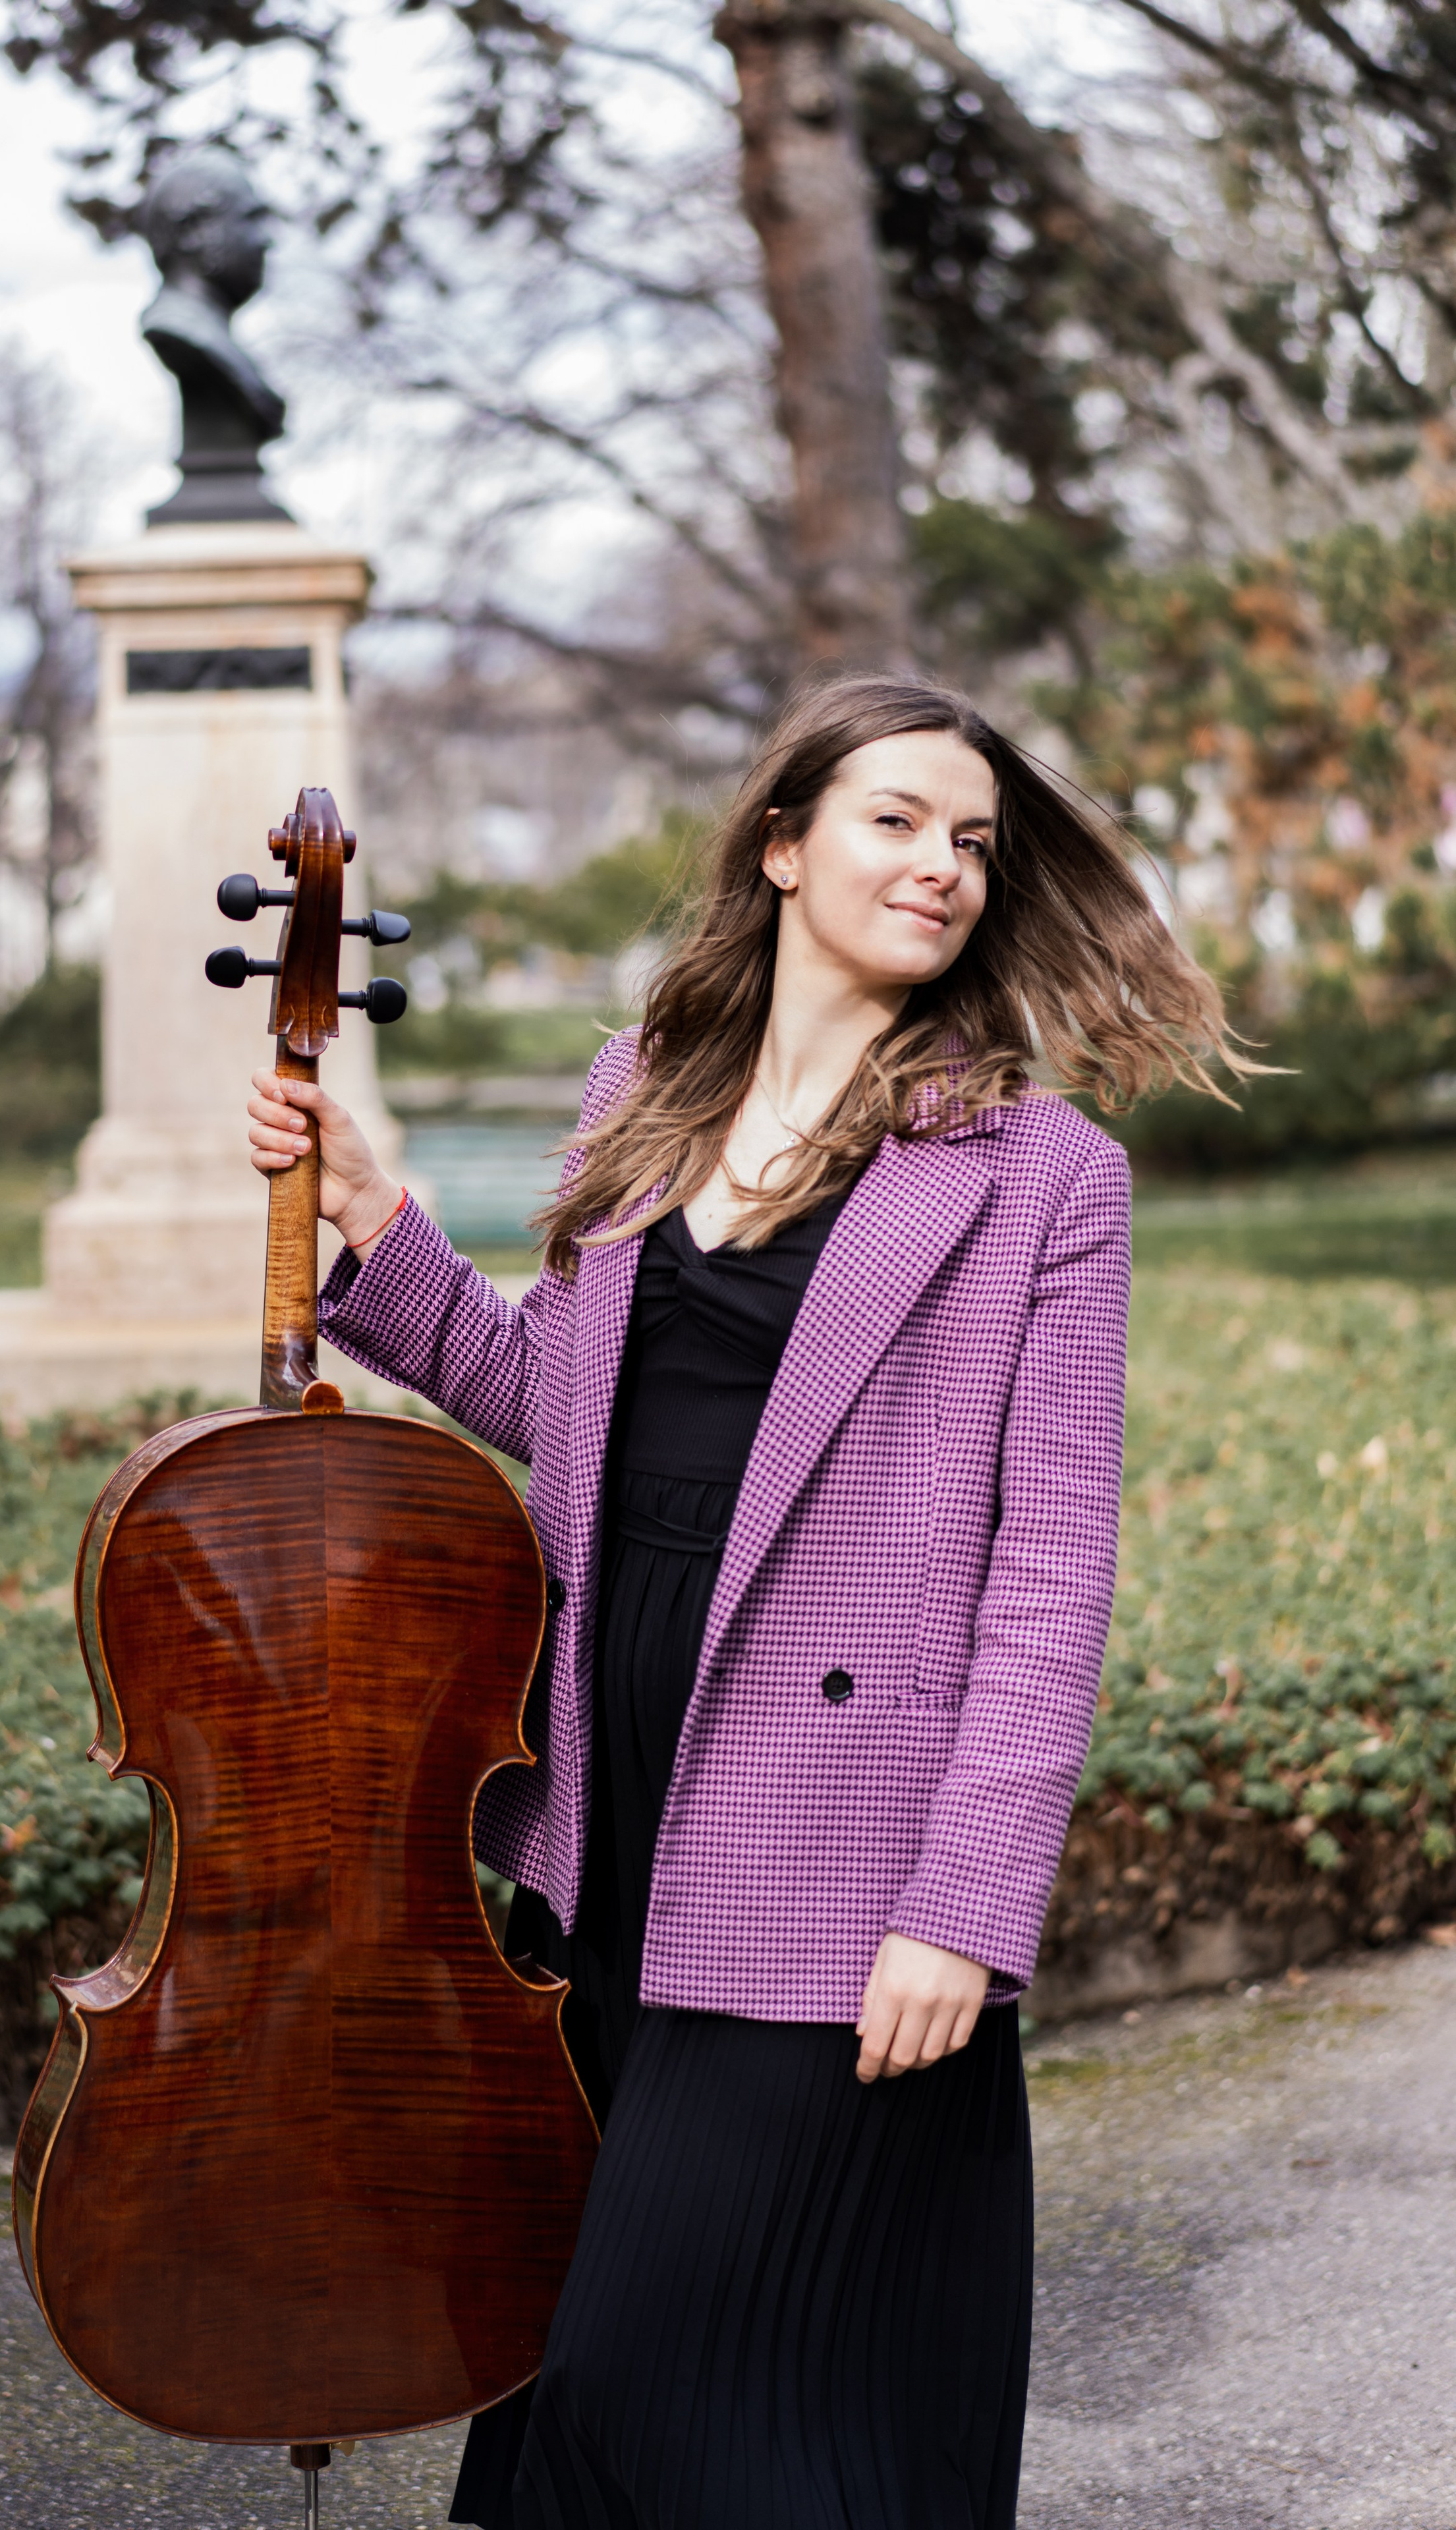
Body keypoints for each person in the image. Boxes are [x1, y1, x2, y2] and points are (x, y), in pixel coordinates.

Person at [246, 675, 1236, 2530]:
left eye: (972, 843)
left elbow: (1051, 1580)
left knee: (648, 2383)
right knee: (598, 2364)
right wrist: (377, 1224)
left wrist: (966, 1909)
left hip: (837, 1844)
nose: (942, 867)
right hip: (609, 1799)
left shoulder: (1042, 1178)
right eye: (897, 821)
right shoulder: (642, 1090)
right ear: (783, 845)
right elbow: (565, 1414)